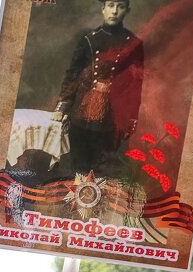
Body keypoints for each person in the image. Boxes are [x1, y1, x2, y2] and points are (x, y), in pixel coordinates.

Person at [52, 0, 144, 176]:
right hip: (81, 114)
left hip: (112, 119)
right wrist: (63, 105)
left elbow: (136, 84)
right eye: (110, 5)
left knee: (103, 173)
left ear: (127, 10)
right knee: (79, 168)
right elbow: (73, 74)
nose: (115, 11)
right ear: (103, 9)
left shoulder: (134, 44)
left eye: (120, 6)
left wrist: (131, 118)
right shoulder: (88, 39)